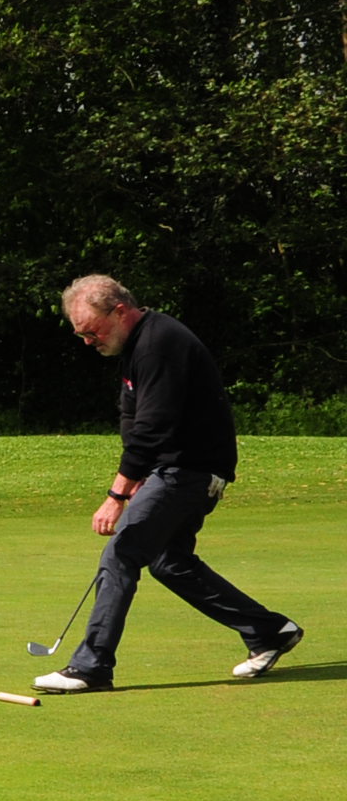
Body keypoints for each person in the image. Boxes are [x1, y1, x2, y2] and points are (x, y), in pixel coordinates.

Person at [31, 276, 301, 694]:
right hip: (176, 469)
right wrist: (140, 476)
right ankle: (269, 631)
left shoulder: (159, 343)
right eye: (80, 334)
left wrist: (117, 494)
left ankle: (91, 667)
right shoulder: (137, 345)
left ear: (119, 311)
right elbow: (134, 419)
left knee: (122, 551)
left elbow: (154, 426)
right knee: (169, 561)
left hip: (189, 470)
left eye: (92, 331)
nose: (87, 341)